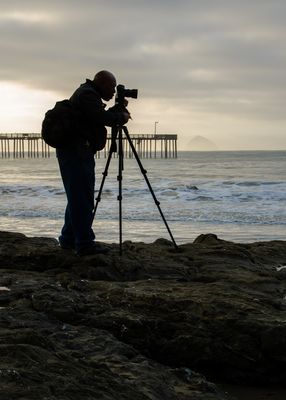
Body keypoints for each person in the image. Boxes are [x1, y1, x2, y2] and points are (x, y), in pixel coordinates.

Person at [56, 70, 130, 256]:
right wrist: (120, 117)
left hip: (75, 151)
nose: (113, 91)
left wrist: (116, 111)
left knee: (77, 196)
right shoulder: (88, 94)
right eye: (111, 87)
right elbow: (102, 118)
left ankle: (68, 239)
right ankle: (85, 244)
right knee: (83, 197)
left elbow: (96, 116)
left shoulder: (88, 93)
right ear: (102, 83)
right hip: (76, 152)